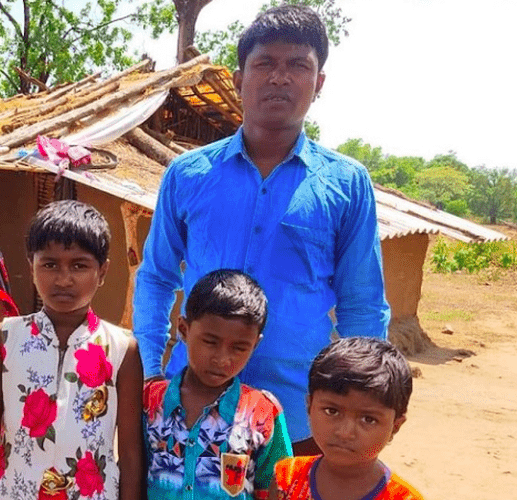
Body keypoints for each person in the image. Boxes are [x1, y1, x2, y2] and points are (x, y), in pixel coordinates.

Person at [133, 4, 390, 455]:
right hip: (184, 411)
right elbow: (156, 276)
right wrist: (150, 370)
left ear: (319, 82)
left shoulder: (346, 184)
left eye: (298, 65)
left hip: (299, 420)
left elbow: (362, 305)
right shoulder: (187, 175)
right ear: (239, 78)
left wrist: (360, 404)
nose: (279, 77)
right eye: (265, 63)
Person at [0, 200, 144, 500]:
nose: (64, 279)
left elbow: (129, 453)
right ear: (32, 267)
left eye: (79, 265)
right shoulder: (6, 339)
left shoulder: (122, 349)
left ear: (102, 272)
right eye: (50, 265)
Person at [144, 269, 292, 499]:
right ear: (184, 329)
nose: (222, 359)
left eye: (239, 348)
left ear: (254, 345)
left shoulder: (262, 412)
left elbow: (276, 487)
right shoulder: (150, 402)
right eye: (210, 342)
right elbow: (131, 470)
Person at [269, 337, 423, 499]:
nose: (345, 432)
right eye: (332, 411)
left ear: (396, 426)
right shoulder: (286, 478)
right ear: (309, 407)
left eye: (368, 419)